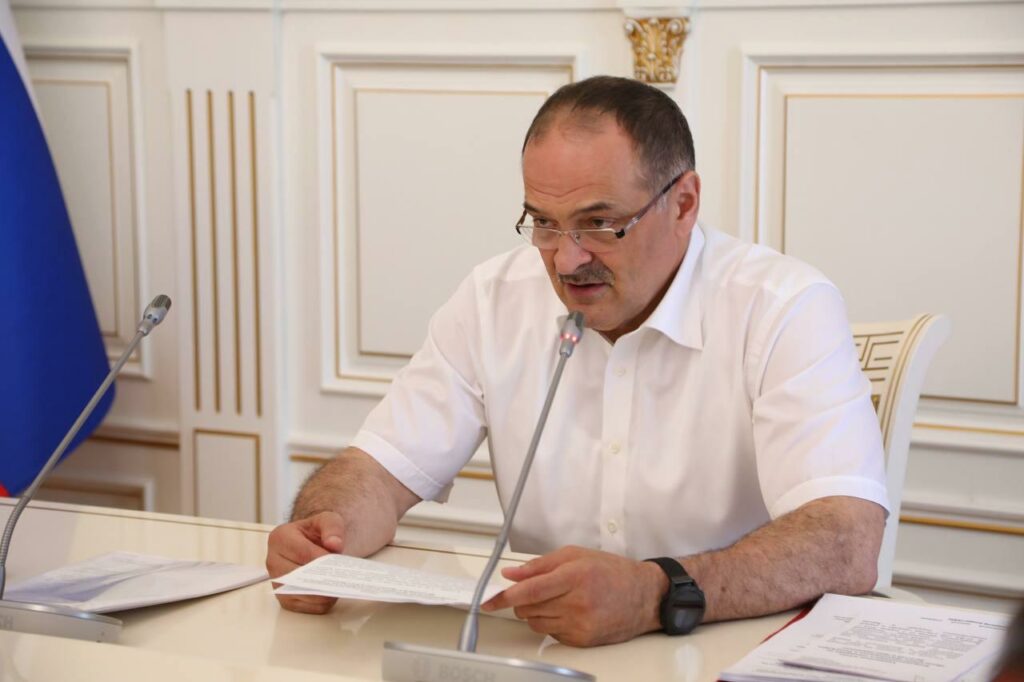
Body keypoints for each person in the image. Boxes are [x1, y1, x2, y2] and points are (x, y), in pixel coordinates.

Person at [266, 75, 889, 647]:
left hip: (728, 647)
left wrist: (655, 593)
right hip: (544, 651)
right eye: (544, 223)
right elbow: (377, 472)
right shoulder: (493, 299)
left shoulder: (785, 306)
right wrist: (326, 530)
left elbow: (846, 539)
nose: (567, 261)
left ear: (683, 204)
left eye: (600, 224)